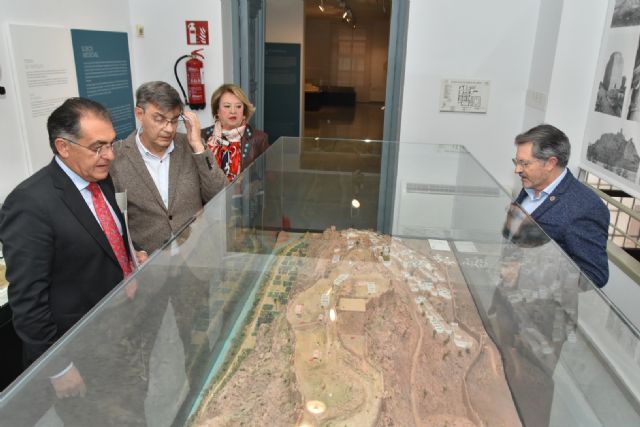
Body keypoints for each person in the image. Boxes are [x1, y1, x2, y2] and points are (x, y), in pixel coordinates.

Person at [0, 97, 145, 398]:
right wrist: (57, 367)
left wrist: (132, 255)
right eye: (97, 147)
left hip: (121, 332)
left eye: (111, 144)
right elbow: (28, 302)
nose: (109, 155)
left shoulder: (99, 179)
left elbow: (106, 239)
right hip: (79, 353)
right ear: (63, 147)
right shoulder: (29, 204)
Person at [110, 81, 226, 254]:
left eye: (174, 120)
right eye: (159, 119)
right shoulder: (116, 157)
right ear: (139, 114)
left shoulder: (189, 146)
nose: (169, 128)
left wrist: (198, 146)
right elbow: (114, 221)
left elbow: (220, 193)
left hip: (197, 259)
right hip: (150, 266)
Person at [512, 124, 609, 288]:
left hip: (543, 309)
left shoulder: (585, 208)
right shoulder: (532, 184)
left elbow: (594, 276)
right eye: (517, 162)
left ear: (550, 163)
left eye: (525, 163)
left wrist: (526, 271)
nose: (517, 169)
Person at [202, 83, 269, 182]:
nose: (233, 111)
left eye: (238, 106)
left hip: (244, 196)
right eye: (227, 106)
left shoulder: (259, 139)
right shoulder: (202, 136)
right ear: (217, 110)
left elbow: (266, 178)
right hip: (211, 197)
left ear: (244, 111)